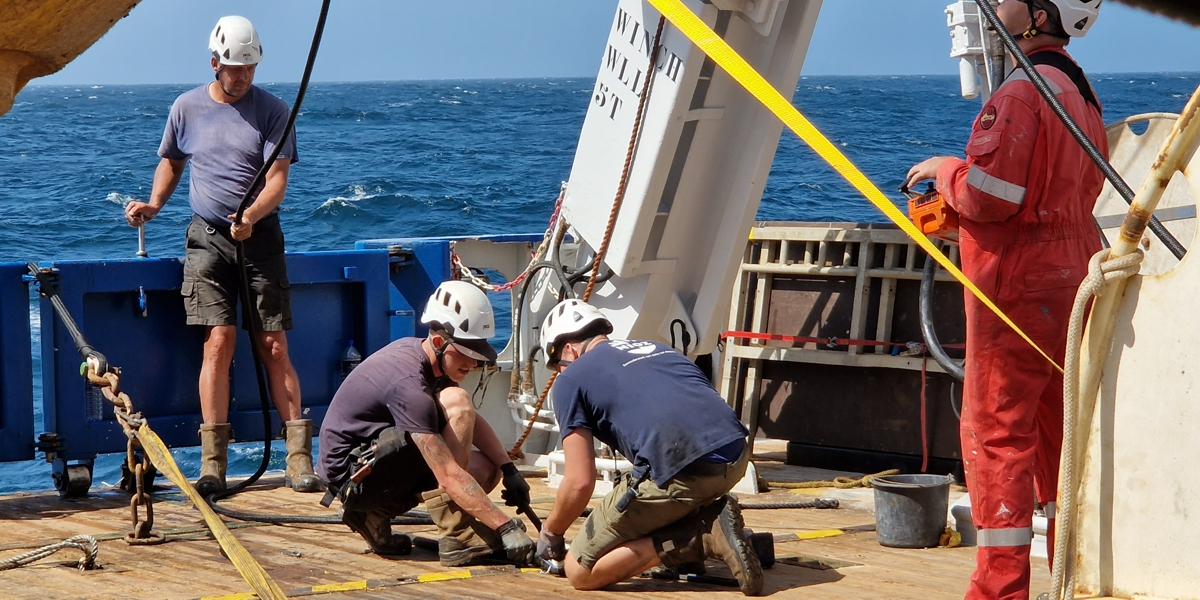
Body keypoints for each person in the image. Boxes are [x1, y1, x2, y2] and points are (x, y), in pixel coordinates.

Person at [904, 1, 1104, 598]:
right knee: (1057, 435)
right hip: (1071, 275)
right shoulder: (1077, 89)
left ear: (1041, 13)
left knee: (997, 434)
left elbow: (993, 197)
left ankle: (999, 590)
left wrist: (947, 172)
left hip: (1017, 285)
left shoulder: (1020, 92)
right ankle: (1070, 576)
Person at [123, 16, 316, 495]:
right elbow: (171, 160)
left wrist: (251, 216)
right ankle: (214, 464)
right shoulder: (186, 108)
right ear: (215, 64)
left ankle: (298, 460)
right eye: (234, 67)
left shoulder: (273, 111)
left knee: (273, 345)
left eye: (250, 66)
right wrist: (154, 204)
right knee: (218, 342)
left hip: (261, 238)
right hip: (207, 239)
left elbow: (278, 182)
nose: (243, 75)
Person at [534, 299, 763, 595]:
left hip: (685, 474)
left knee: (580, 571)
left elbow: (579, 482)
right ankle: (699, 527)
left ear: (569, 350)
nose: (560, 374)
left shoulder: (570, 381)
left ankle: (700, 537)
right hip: (735, 460)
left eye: (558, 367)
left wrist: (551, 532)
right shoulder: (658, 349)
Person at [316, 280, 537, 566]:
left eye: (478, 355)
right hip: (351, 479)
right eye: (467, 354)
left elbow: (470, 418)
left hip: (372, 465)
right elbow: (446, 473)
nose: (473, 365)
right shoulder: (408, 383)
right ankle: (455, 534)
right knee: (455, 406)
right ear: (438, 343)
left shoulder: (423, 355)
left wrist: (509, 470)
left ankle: (374, 515)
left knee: (487, 467)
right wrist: (504, 526)